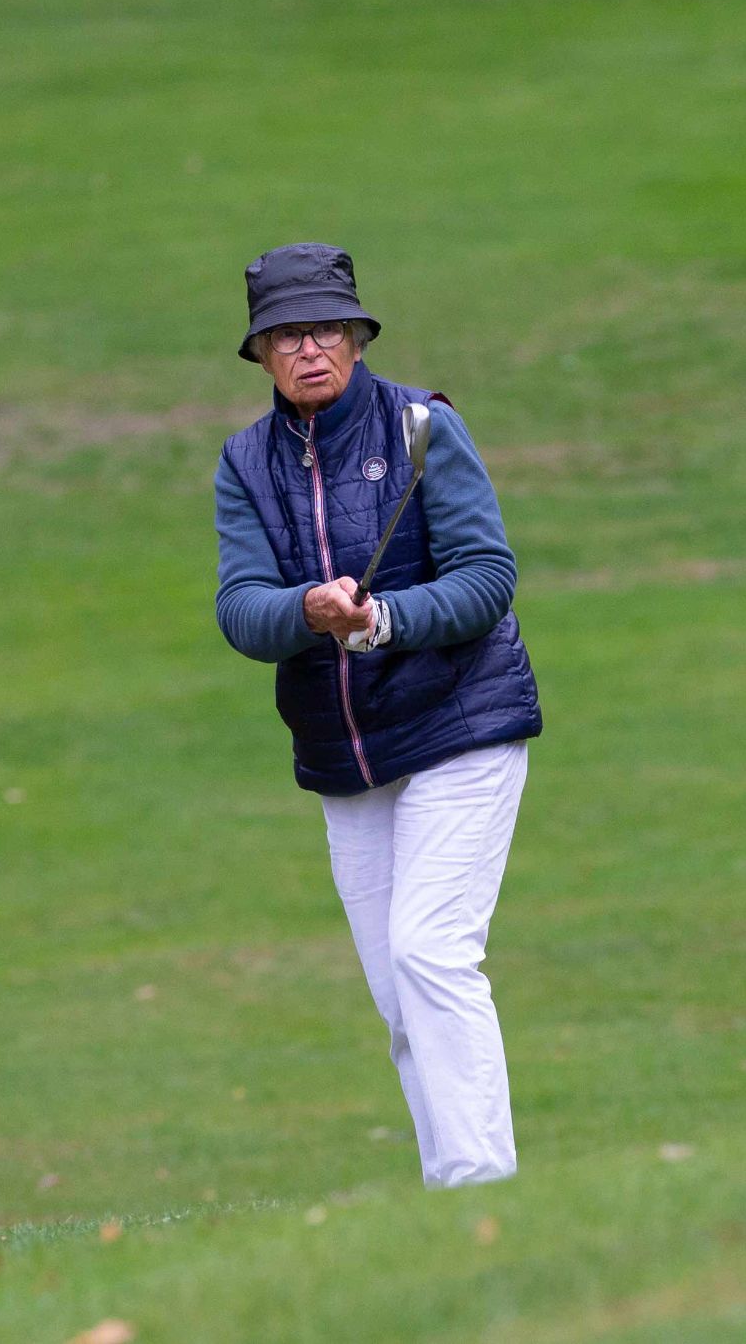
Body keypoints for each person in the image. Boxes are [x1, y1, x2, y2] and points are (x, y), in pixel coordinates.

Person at [212, 242, 543, 1189]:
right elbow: (241, 607)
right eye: (285, 336)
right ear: (262, 354)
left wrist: (382, 620)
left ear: (357, 338)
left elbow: (488, 576)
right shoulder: (245, 463)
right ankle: (451, 1188)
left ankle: (481, 1181)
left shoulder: (421, 427)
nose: (308, 349)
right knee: (401, 995)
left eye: (326, 329)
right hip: (347, 756)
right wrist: (306, 609)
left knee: (430, 951)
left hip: (459, 726)